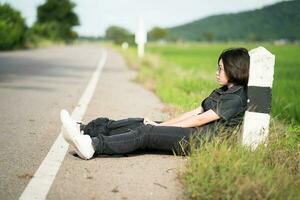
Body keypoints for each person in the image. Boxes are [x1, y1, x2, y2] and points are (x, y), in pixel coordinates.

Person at [60, 47, 250, 160]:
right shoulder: (223, 91)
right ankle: (84, 130)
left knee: (146, 132)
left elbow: (199, 121)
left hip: (201, 143)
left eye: (221, 69)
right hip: (194, 134)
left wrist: (162, 126)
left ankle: (92, 146)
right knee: (141, 122)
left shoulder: (235, 97)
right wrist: (161, 123)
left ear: (234, 69)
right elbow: (195, 112)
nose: (217, 72)